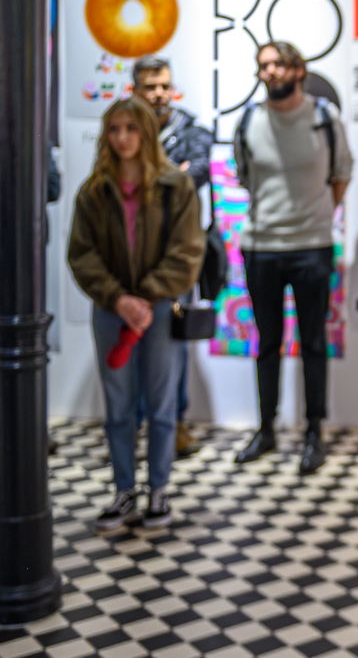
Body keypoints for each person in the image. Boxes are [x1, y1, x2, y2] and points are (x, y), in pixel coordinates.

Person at [68, 96, 204, 531]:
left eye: (131, 128)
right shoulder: (94, 190)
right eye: (114, 129)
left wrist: (144, 297)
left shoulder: (175, 186)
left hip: (159, 310)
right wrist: (119, 299)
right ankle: (124, 491)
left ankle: (158, 491)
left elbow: (187, 251)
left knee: (162, 404)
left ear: (146, 132)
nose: (122, 138)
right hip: (112, 312)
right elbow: (82, 254)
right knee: (119, 406)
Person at [232, 40, 354, 475]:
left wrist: (316, 216)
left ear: (299, 70)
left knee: (313, 343)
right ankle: (266, 429)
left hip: (312, 246)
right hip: (261, 246)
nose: (271, 71)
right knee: (267, 343)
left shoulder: (325, 117)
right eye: (264, 65)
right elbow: (245, 175)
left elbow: (342, 174)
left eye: (279, 64)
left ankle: (314, 431)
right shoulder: (249, 119)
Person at [131, 54, 214, 457]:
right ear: (135, 90)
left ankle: (175, 424)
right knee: (131, 340)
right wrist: (171, 174)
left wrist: (145, 176)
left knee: (175, 341)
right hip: (130, 255)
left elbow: (195, 175)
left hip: (177, 257)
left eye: (165, 85)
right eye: (150, 87)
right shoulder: (123, 129)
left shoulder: (193, 131)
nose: (159, 93)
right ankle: (133, 425)